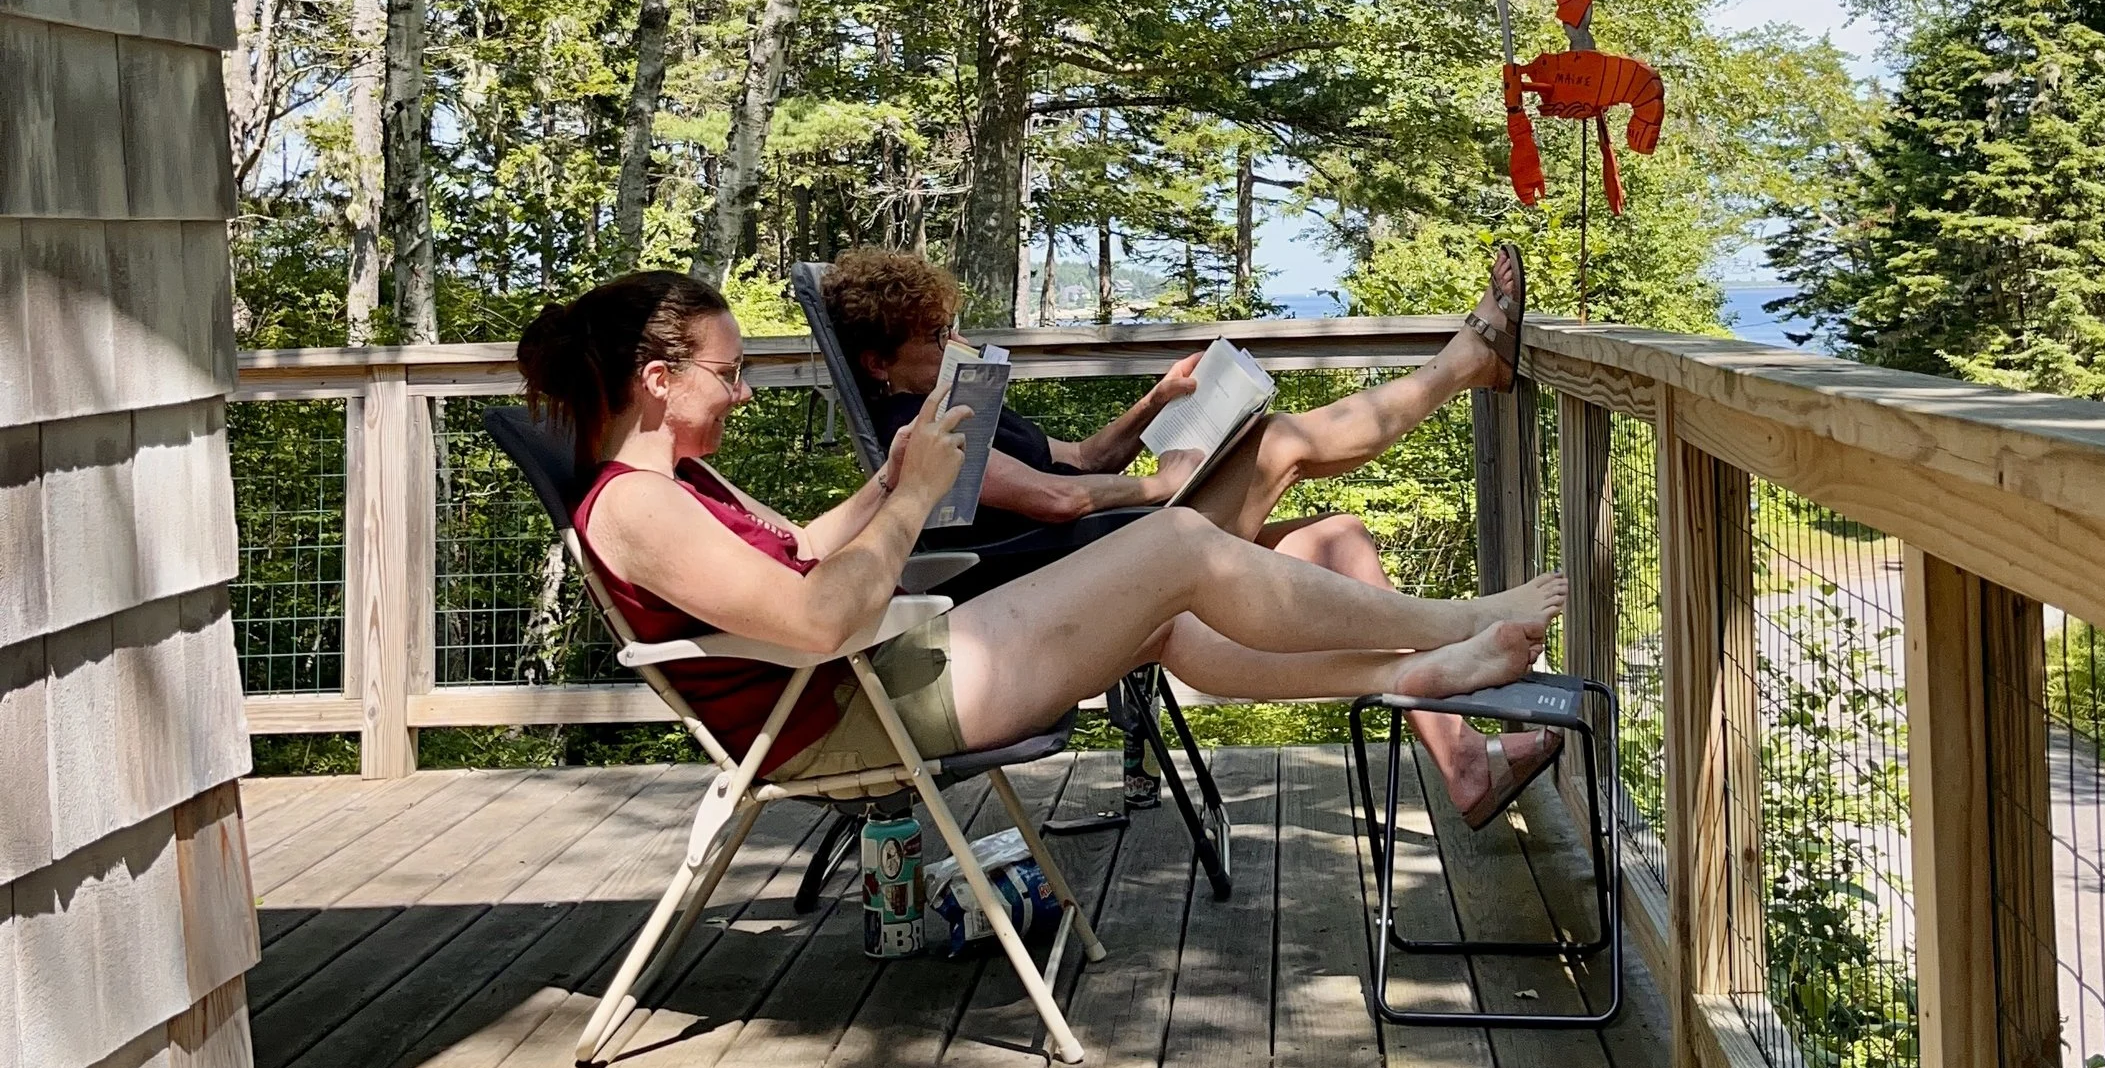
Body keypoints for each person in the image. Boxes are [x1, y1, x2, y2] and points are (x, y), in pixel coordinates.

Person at [516, 272, 1566, 792]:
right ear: (658, 381)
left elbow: (797, 554)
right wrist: (920, 498)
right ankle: (1453, 628)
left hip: (879, 682)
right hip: (848, 717)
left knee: (1167, 617)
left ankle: (1417, 674)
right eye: (728, 371)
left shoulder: (679, 482)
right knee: (1175, 551)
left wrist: (884, 486)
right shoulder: (638, 504)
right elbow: (819, 612)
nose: (741, 392)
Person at [818, 241, 1560, 822]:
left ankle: (1464, 765)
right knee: (1277, 443)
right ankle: (1467, 363)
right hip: (1083, 577)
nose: (953, 339)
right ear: (879, 361)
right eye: (932, 333)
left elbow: (1076, 460)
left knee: (1339, 540)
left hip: (1106, 545)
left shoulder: (958, 395)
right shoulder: (911, 435)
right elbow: (1055, 499)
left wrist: (1156, 400)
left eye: (950, 324)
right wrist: (1162, 484)